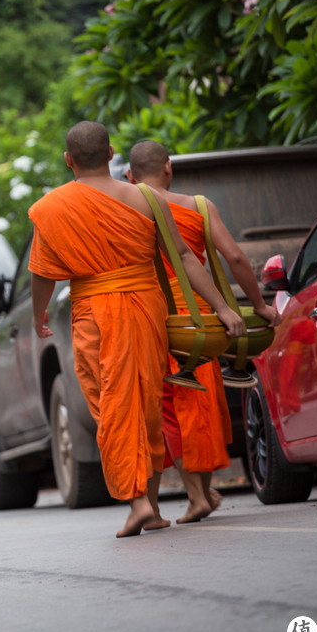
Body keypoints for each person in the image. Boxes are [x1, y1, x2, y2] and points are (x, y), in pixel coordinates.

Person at [28, 121, 244, 538]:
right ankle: (150, 505)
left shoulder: (52, 206)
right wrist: (221, 307)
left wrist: (39, 316)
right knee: (144, 400)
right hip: (146, 309)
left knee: (111, 404)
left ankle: (139, 502)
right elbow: (183, 256)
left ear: (68, 160)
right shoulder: (146, 198)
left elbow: (42, 273)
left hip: (92, 311)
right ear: (112, 154)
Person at [127, 139, 280, 524]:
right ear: (168, 169)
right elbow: (234, 257)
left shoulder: (126, 209)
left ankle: (191, 497)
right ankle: (198, 495)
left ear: (130, 177)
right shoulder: (198, 206)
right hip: (197, 321)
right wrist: (257, 305)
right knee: (198, 408)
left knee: (164, 413)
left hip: (151, 318)